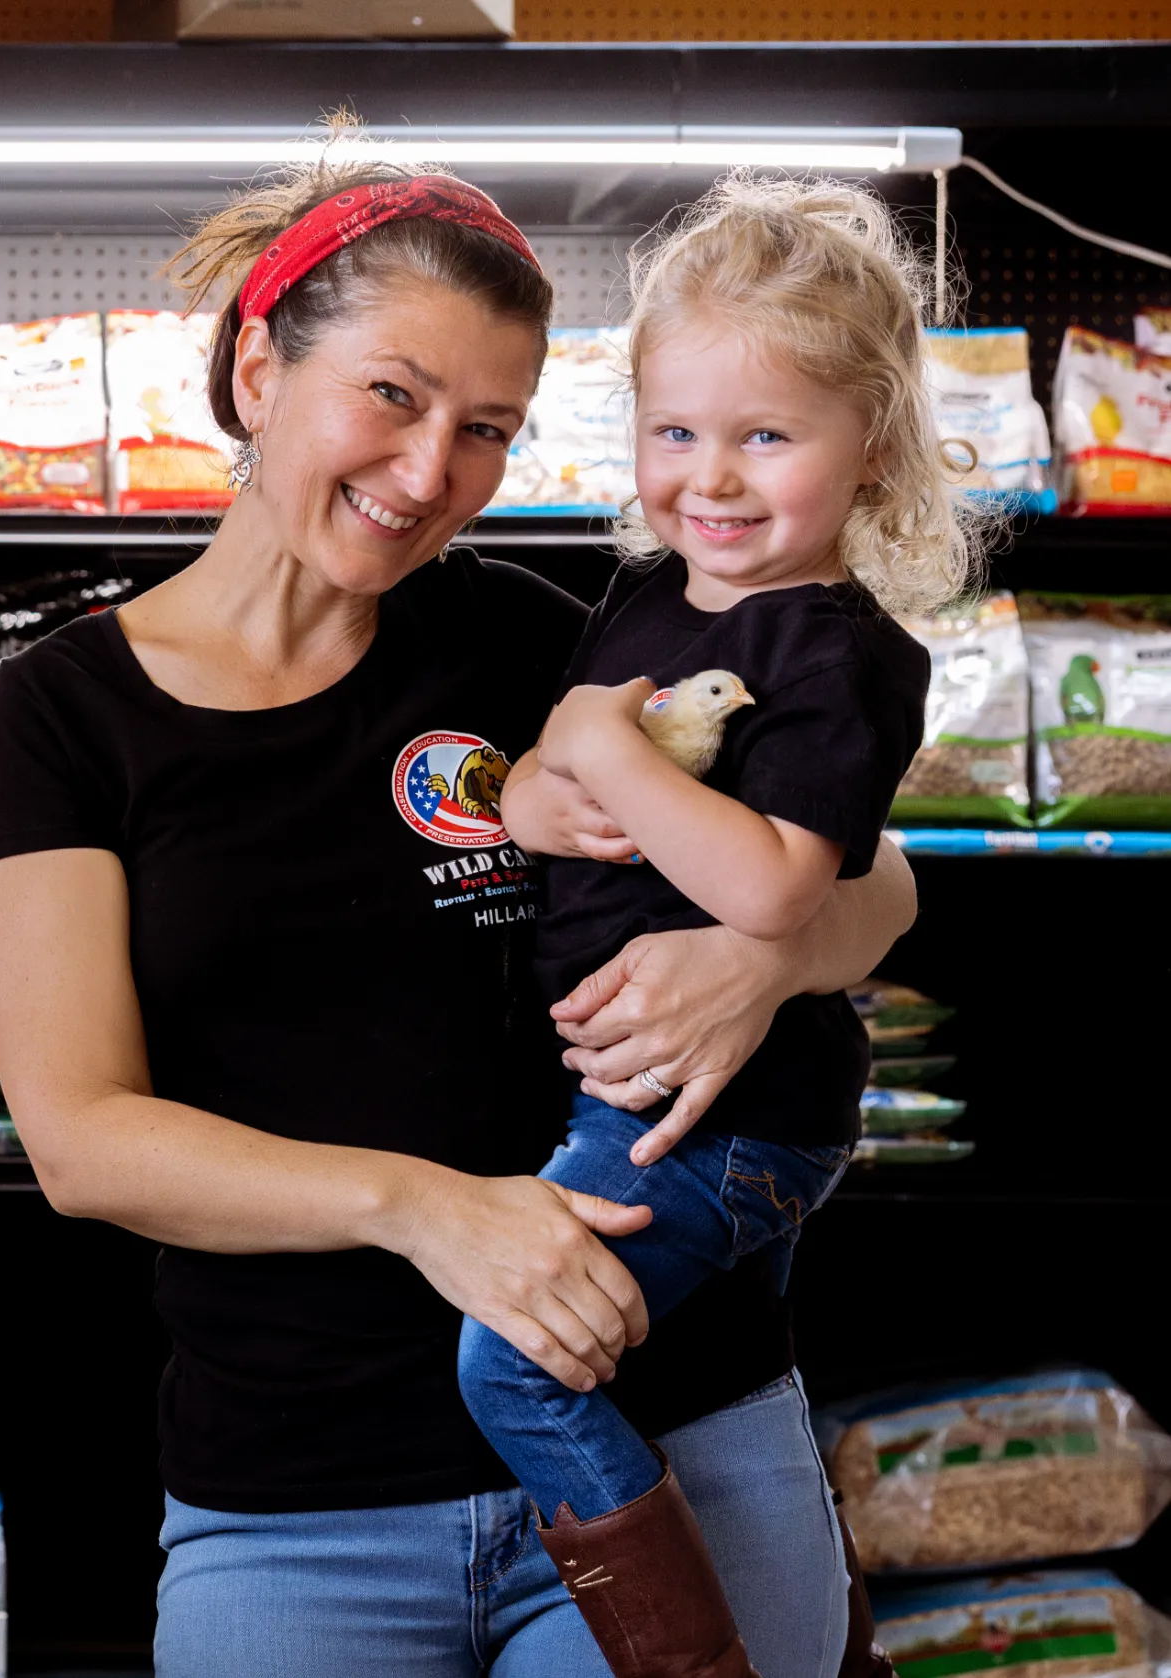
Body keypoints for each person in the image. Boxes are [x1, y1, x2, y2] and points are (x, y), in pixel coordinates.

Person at [0, 146, 916, 1678]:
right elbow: (83, 1137)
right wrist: (436, 1211)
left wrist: (770, 955)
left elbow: (879, 875)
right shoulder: (70, 715)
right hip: (302, 1502)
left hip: (674, 1427)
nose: (430, 476)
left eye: (487, 430)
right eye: (394, 397)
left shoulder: (552, 639)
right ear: (259, 366)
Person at [458, 176, 979, 1677]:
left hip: (737, 1115)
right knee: (647, 1355)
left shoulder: (842, 651)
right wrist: (550, 790)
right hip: (629, 1093)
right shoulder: (637, 604)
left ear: (870, 446)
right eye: (677, 432)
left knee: (513, 1360)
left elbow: (769, 889)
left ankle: (685, 1653)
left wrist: (600, 752)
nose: (714, 478)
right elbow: (549, 791)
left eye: (768, 436)